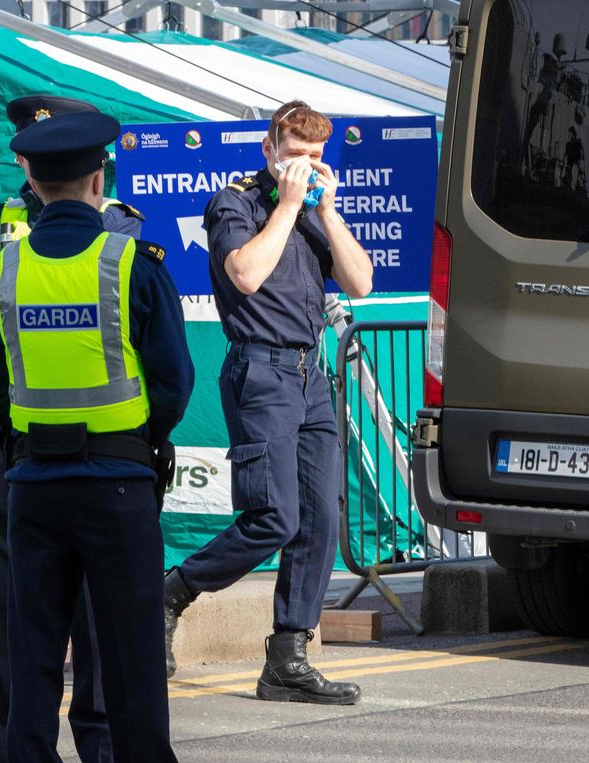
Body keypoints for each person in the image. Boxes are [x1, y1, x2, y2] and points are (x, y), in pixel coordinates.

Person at [0, 110, 193, 763]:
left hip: (33, 487)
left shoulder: (3, 272)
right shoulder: (133, 264)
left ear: (32, 183)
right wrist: (142, 437)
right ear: (100, 178)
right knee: (130, 660)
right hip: (118, 484)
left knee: (33, 656)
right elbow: (173, 379)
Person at [0, 94, 142, 763]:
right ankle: (12, 746)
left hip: (95, 446)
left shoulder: (120, 227)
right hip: (9, 446)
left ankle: (100, 744)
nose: (37, 163)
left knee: (95, 615)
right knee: (9, 610)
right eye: (31, 151)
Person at [161, 100, 371, 704]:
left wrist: (326, 214)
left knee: (321, 520)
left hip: (311, 376)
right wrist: (284, 205)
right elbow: (246, 275)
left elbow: (360, 283)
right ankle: (171, 592)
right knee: (274, 517)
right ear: (268, 151)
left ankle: (287, 657)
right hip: (261, 370)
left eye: (316, 157)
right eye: (296, 155)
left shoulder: (312, 214)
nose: (307, 167)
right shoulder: (237, 203)